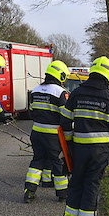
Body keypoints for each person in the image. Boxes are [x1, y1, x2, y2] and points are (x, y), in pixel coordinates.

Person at [60, 56, 109, 216]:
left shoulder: (77, 94)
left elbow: (65, 122)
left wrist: (70, 144)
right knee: (91, 186)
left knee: (76, 182)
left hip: (79, 149)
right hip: (100, 152)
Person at [24, 60, 70, 203]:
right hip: (53, 135)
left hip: (36, 132)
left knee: (37, 160)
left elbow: (31, 112)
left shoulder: (35, 90)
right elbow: (65, 117)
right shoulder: (61, 93)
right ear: (60, 76)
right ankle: (62, 193)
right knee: (56, 162)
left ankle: (29, 191)